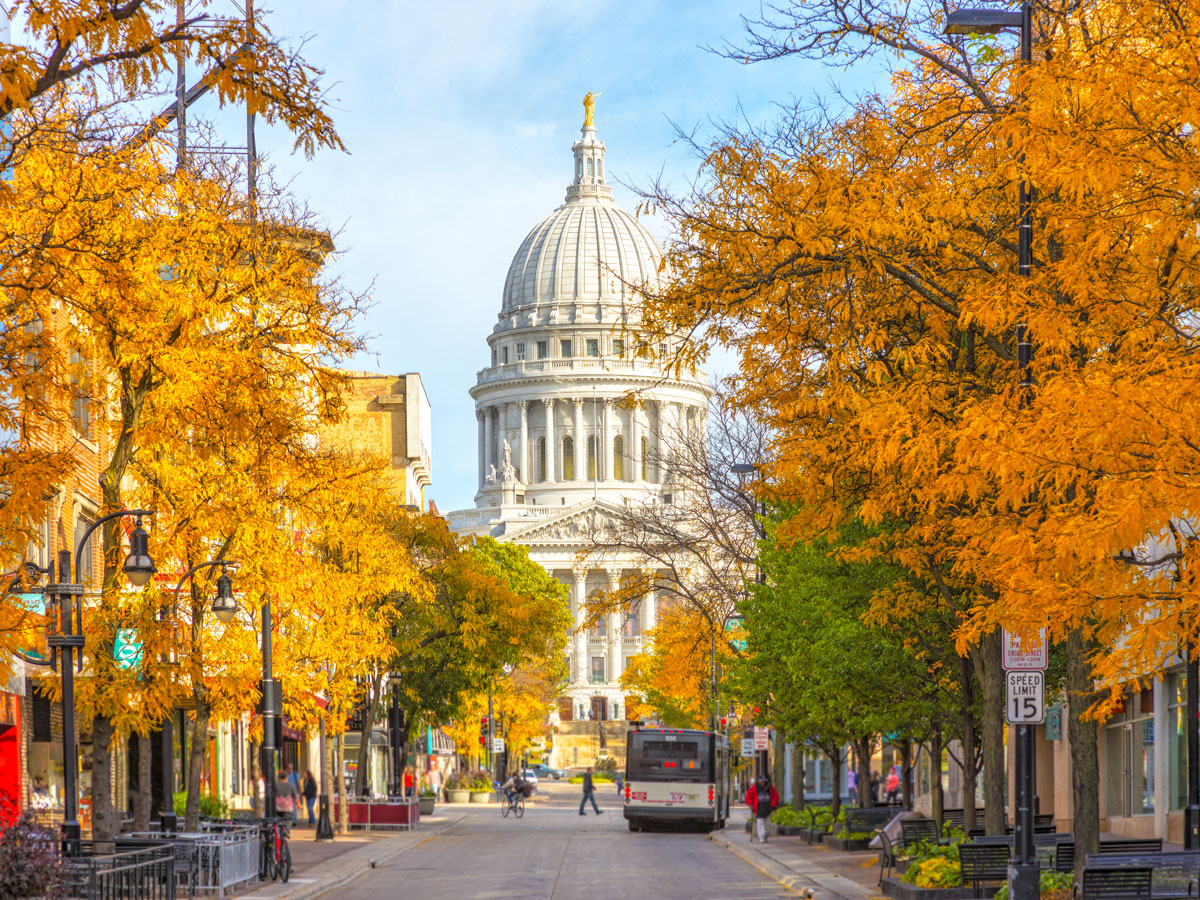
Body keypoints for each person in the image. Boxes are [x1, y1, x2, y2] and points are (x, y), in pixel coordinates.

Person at [745, 774, 778, 843]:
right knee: (760, 823)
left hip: (768, 808)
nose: (762, 783)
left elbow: (775, 796)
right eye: (761, 782)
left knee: (767, 823)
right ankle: (762, 836)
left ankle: (765, 835)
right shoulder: (754, 788)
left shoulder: (770, 788)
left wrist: (773, 805)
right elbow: (748, 796)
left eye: (764, 782)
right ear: (759, 781)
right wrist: (750, 804)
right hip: (759, 808)